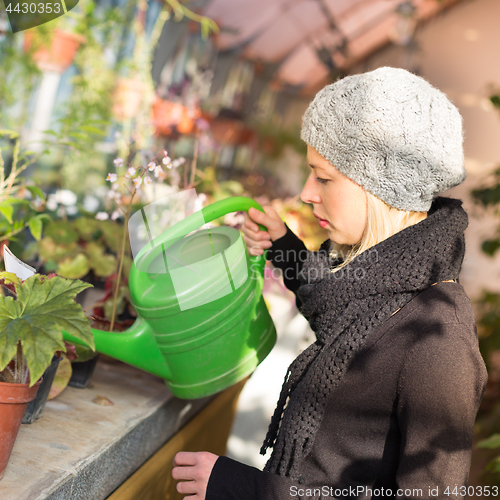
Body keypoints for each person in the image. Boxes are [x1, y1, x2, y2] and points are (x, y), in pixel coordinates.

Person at [171, 67, 488, 499]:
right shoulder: (391, 285)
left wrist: (246, 489)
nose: (306, 192)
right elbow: (338, 304)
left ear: (380, 186)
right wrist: (282, 245)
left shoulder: (437, 338)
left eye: (323, 177)